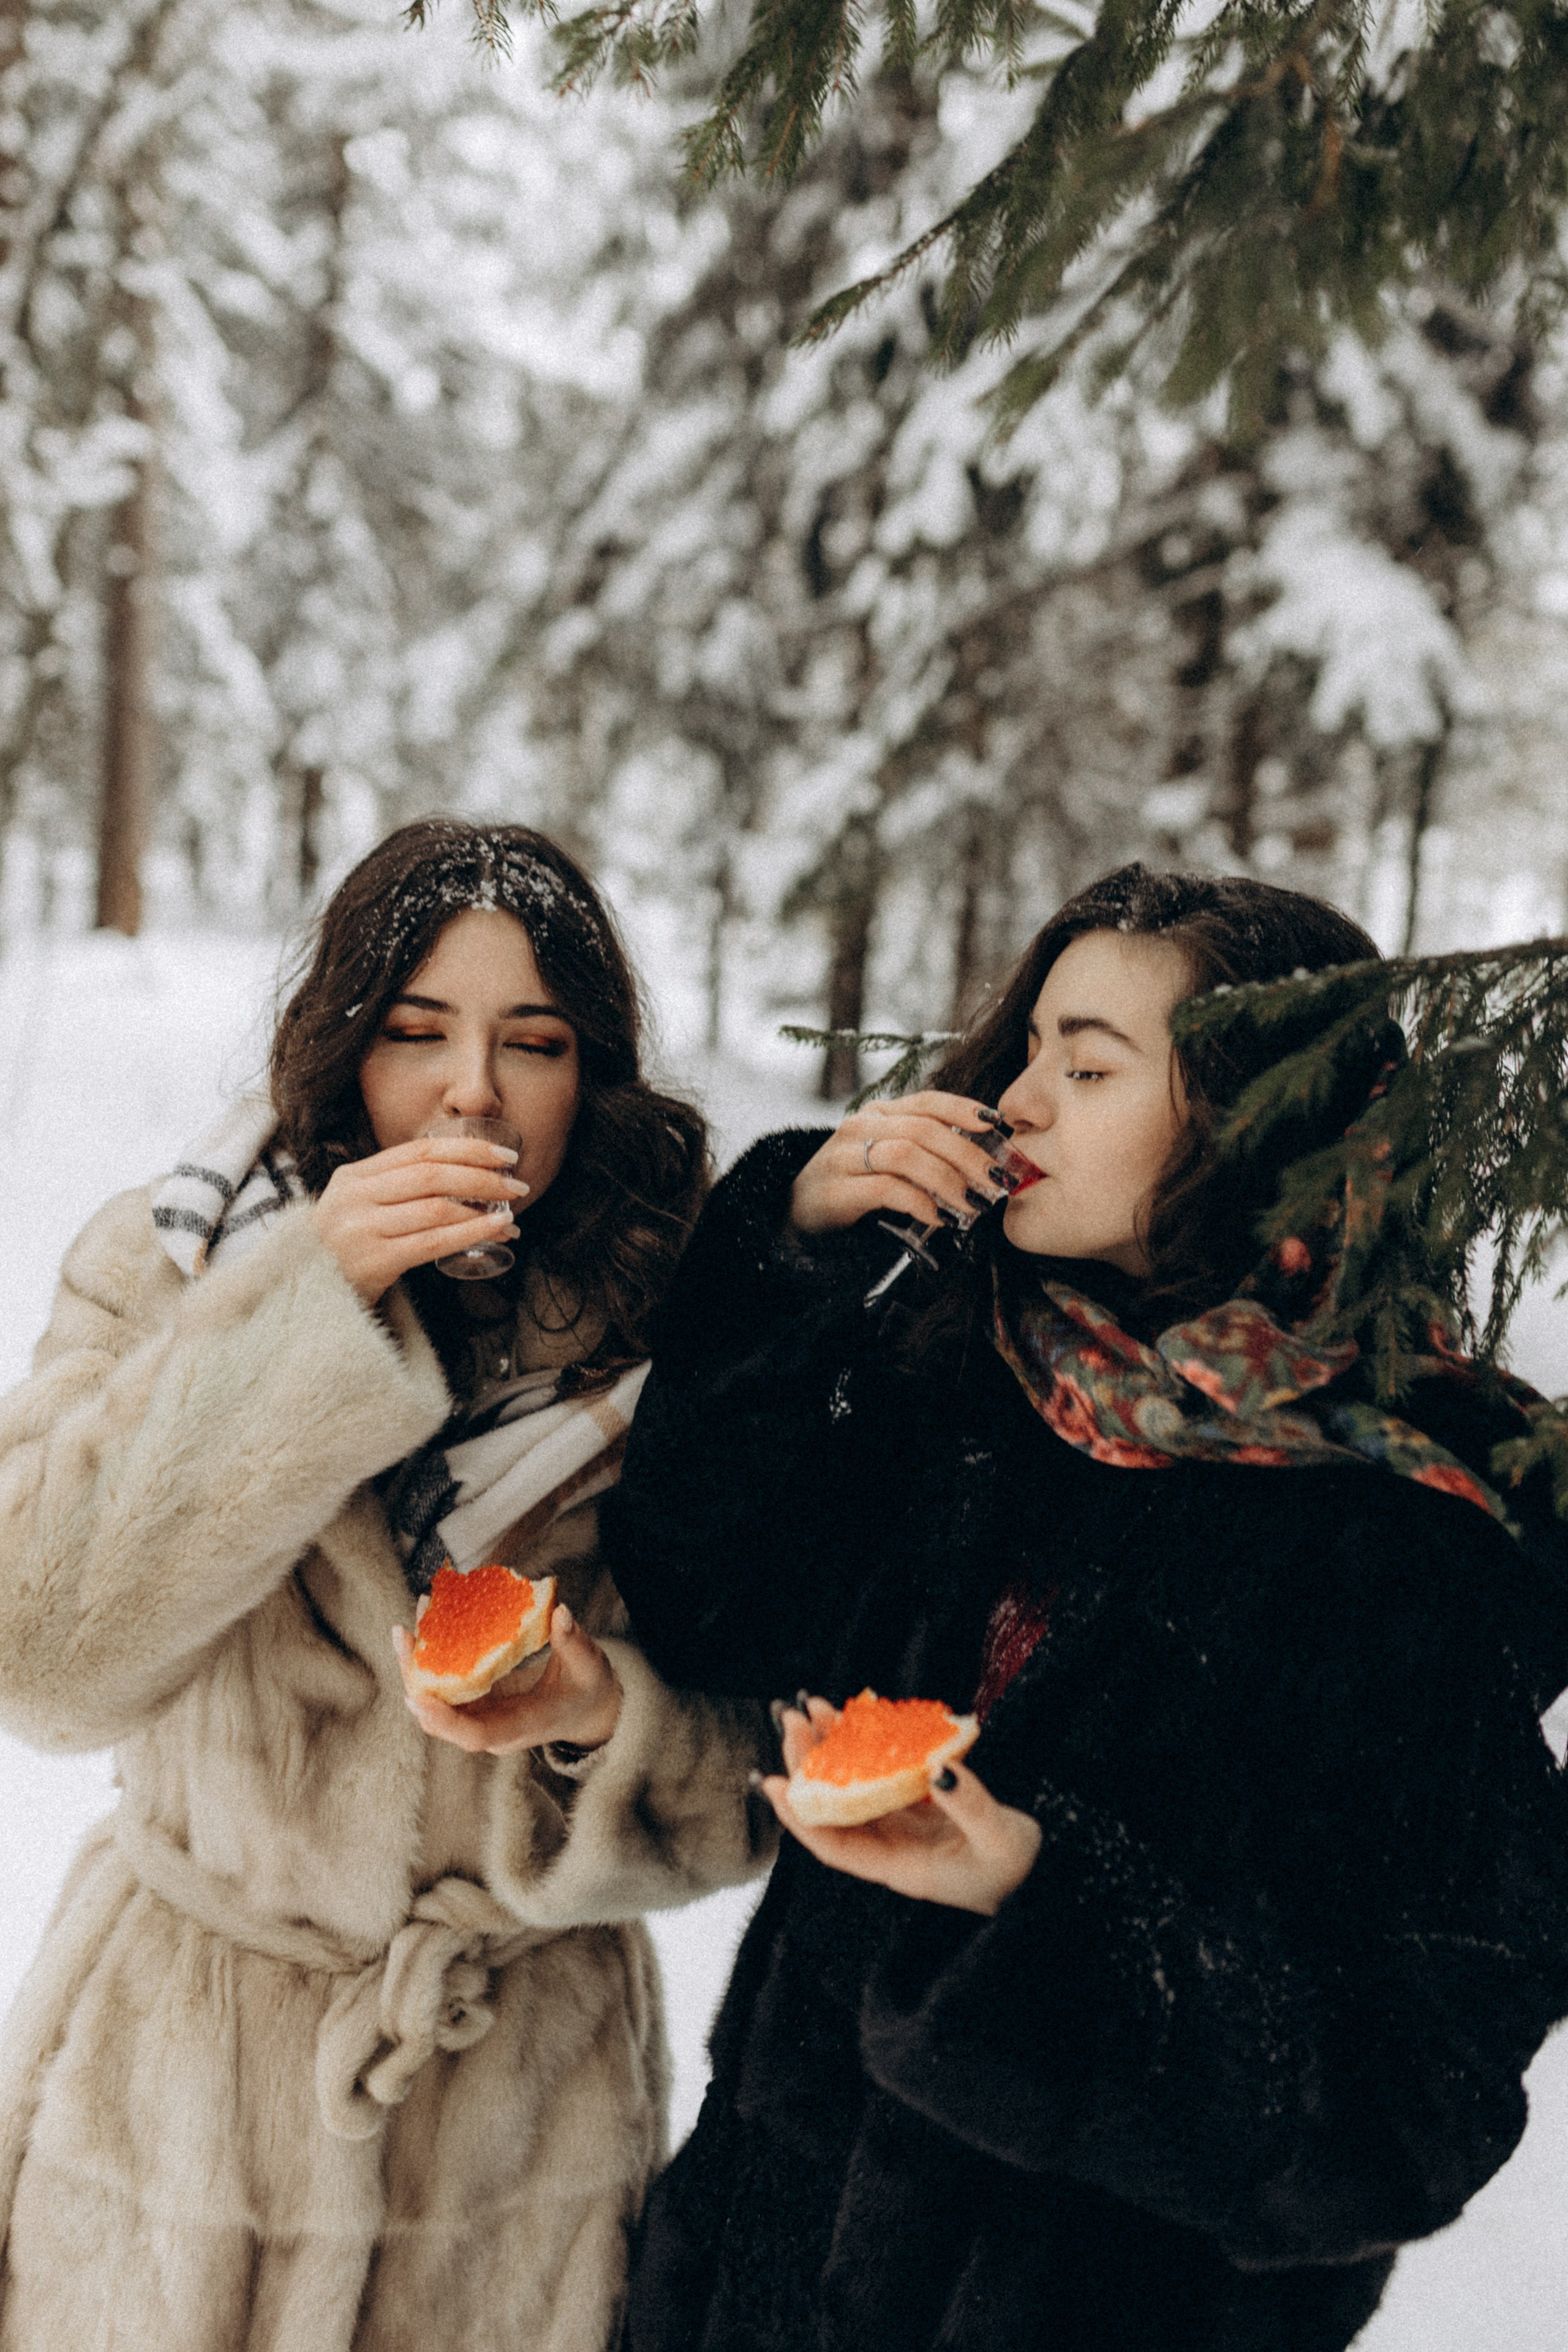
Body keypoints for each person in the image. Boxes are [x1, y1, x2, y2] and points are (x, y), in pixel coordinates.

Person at [604, 862, 1568, 2352]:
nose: (1019, 1106)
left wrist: (1035, 1910)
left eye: (1090, 1064)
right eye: (1032, 1050)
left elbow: (1401, 2113)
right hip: (761, 2275)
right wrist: (794, 1252)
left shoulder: (1405, 1537)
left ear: (1252, 1114)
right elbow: (707, 1604)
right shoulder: (977, 1390)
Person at [0, 818, 770, 2352]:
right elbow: (43, 1655)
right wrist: (303, 1314)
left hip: (509, 2151)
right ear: (343, 1045)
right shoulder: (169, 1269)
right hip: (177, 2124)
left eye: (529, 1042)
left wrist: (598, 1713)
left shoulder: (680, 1347)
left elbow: (761, 1773)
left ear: (588, 1076)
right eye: (416, 1031)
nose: (469, 1087)